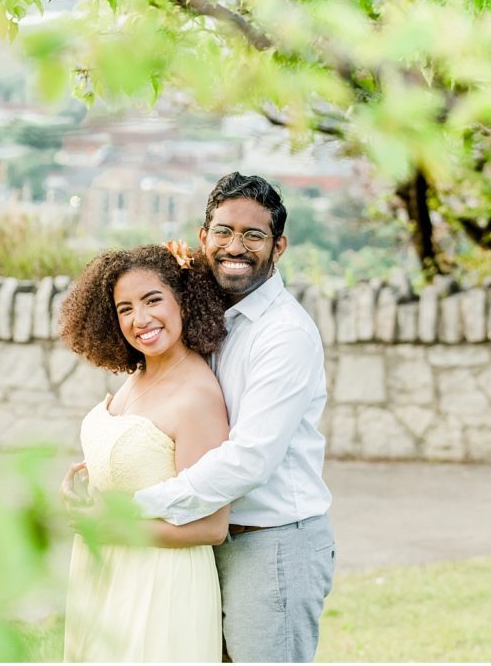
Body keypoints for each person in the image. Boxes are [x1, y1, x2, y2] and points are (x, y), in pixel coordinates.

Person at [132, 172, 336, 663]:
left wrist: (138, 504)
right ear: (203, 237)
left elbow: (249, 459)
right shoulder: (206, 316)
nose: (235, 246)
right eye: (223, 231)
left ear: (278, 246)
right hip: (206, 544)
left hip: (270, 549)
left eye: (253, 235)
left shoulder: (283, 335)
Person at [57, 242, 232, 662]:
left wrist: (113, 528)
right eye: (125, 309)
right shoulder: (137, 378)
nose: (140, 319)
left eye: (153, 300)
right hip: (111, 571)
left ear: (183, 301)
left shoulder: (197, 397)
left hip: (162, 585)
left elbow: (212, 526)